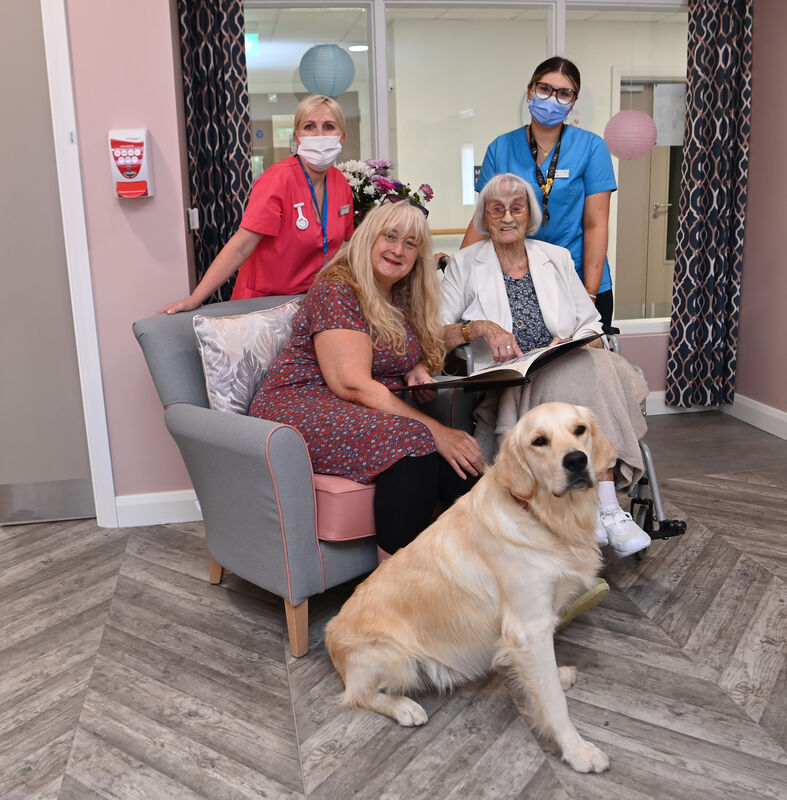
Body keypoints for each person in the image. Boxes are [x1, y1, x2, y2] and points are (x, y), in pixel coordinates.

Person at [250, 198, 483, 556]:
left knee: (459, 460)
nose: (398, 250)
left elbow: (409, 348)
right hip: (297, 403)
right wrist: (439, 432)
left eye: (410, 243)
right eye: (390, 237)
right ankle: (393, 594)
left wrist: (416, 367)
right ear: (368, 238)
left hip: (348, 406)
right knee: (415, 442)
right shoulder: (338, 288)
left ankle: (499, 566)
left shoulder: (400, 294)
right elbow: (352, 383)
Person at [443, 173, 650, 558]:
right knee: (598, 370)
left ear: (529, 215)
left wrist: (565, 342)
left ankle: (603, 509)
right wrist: (478, 328)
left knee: (589, 364)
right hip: (514, 382)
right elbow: (437, 332)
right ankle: (608, 508)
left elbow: (590, 322)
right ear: (485, 217)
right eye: (496, 209)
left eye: (516, 208)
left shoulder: (554, 257)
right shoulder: (464, 264)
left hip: (566, 361)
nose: (507, 217)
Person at [158, 94, 354, 314]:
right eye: (309, 127)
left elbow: (342, 247)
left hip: (308, 303)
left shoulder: (341, 184)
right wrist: (194, 299)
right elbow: (241, 245)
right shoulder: (278, 180)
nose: (319, 135)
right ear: (297, 137)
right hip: (262, 305)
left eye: (329, 127)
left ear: (342, 136)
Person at [462, 57, 617, 328]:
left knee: (580, 366)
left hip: (579, 279)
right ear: (530, 90)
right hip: (518, 281)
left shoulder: (592, 148)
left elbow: (595, 225)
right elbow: (484, 221)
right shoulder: (501, 148)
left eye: (564, 93)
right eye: (545, 89)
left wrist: (589, 295)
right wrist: (458, 271)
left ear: (573, 101)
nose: (552, 99)